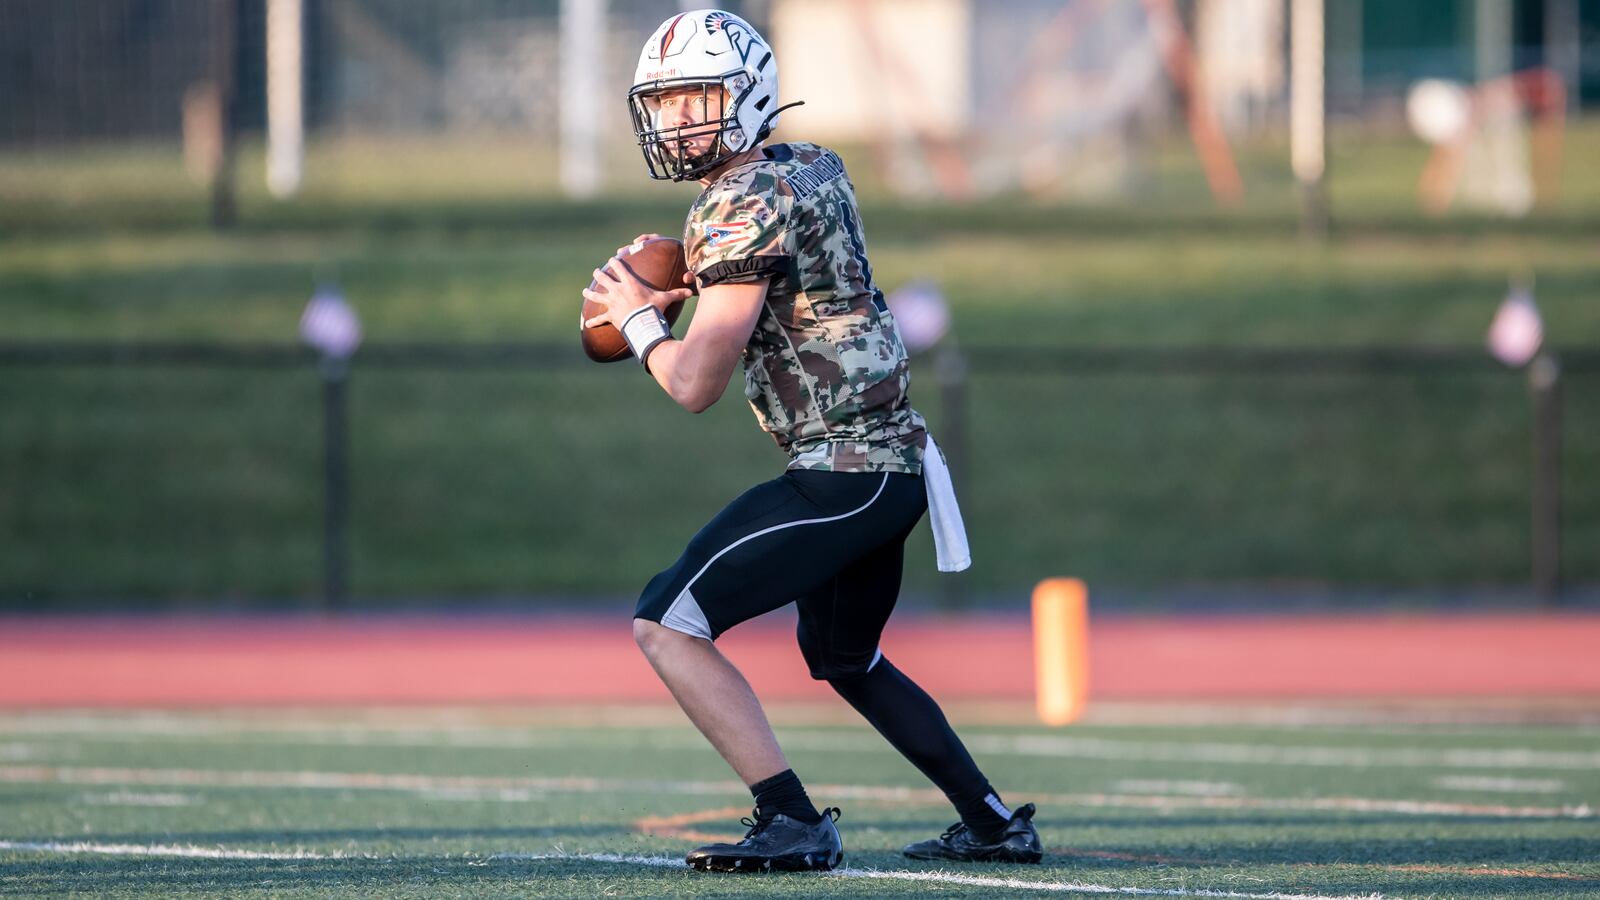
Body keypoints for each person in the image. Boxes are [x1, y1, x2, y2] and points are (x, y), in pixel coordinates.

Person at [580, 8, 1042, 873]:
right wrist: (689, 275)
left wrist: (640, 322)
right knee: (841, 655)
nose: (679, 121)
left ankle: (791, 819)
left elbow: (693, 385)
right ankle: (991, 822)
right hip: (887, 459)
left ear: (749, 95)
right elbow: (783, 259)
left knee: (667, 621)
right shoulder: (807, 164)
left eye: (696, 100)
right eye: (667, 104)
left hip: (849, 468)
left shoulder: (737, 203)